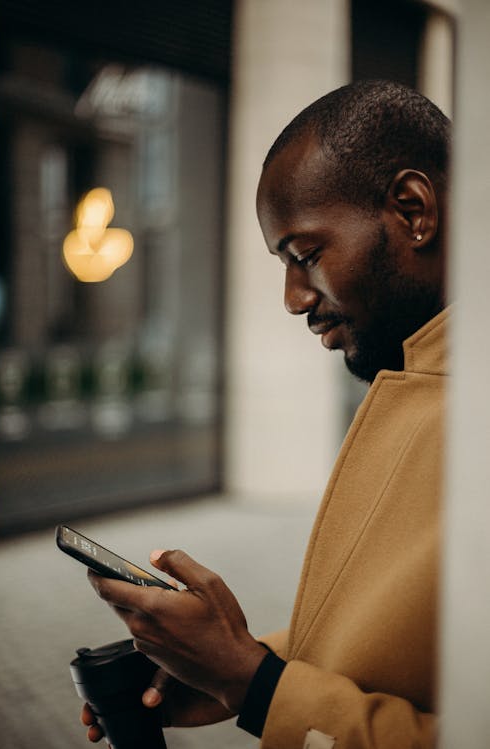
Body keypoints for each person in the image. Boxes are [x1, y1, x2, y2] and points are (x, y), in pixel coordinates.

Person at [82, 80, 450, 749]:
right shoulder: (424, 379)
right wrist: (227, 665)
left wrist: (257, 683)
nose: (292, 298)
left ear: (412, 209)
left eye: (305, 255)